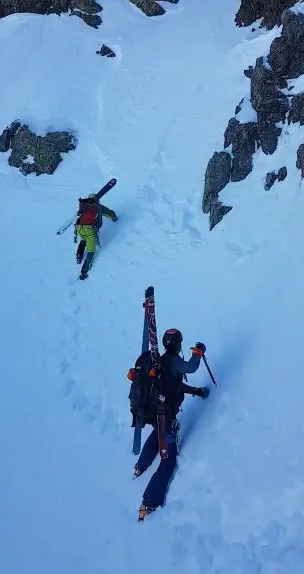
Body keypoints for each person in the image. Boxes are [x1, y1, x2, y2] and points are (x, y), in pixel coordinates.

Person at [135, 328, 209, 521]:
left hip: (156, 414)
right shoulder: (175, 361)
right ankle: (149, 502)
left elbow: (175, 386)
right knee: (168, 460)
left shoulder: (160, 362)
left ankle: (140, 466)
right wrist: (198, 353)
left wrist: (196, 391)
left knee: (157, 435)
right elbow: (190, 368)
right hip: (165, 418)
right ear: (178, 344)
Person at [75, 193, 117, 280]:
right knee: (91, 251)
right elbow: (109, 213)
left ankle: (79, 257)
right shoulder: (98, 207)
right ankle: (84, 272)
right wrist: (114, 217)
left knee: (83, 240)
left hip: (79, 228)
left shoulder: (83, 206)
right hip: (89, 229)